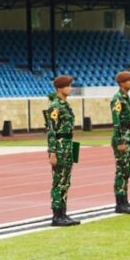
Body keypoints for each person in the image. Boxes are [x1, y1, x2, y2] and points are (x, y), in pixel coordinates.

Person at [46, 75, 80, 227]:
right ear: (60, 88)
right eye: (67, 85)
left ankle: (63, 213)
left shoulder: (66, 105)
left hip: (68, 144)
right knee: (58, 181)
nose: (70, 88)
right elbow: (51, 131)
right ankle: (57, 215)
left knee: (66, 181)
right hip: (59, 147)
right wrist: (52, 152)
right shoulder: (55, 106)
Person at [111, 70, 130, 214]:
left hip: (129, 136)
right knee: (122, 170)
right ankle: (120, 203)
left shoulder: (127, 98)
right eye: (129, 80)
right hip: (122, 137)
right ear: (122, 83)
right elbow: (116, 122)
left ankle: (125, 201)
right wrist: (120, 140)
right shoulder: (118, 99)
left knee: (128, 169)